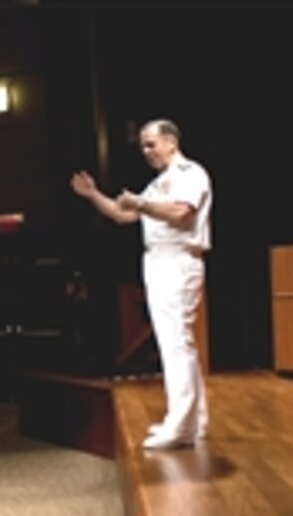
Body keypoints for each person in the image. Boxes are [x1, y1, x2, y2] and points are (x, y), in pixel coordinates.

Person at [71, 118, 211, 449]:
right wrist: (93, 195)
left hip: (178, 259)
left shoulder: (190, 174)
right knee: (175, 343)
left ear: (171, 142)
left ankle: (180, 423)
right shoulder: (159, 182)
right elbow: (124, 215)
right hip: (158, 260)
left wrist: (141, 203)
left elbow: (181, 213)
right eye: (143, 146)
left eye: (151, 144)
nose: (146, 151)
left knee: (176, 343)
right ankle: (194, 420)